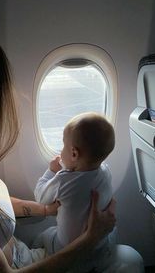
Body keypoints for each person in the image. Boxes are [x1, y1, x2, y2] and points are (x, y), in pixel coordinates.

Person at [0, 25, 117, 273]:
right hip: (21, 265)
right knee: (129, 261)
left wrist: (45, 209)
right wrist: (90, 240)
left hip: (23, 254)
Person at [34, 113, 115, 271]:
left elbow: (40, 196)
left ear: (74, 154)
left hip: (66, 249)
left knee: (46, 234)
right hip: (99, 249)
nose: (61, 149)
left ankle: (34, 253)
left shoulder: (64, 180)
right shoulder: (106, 172)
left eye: (63, 145)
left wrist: (50, 171)